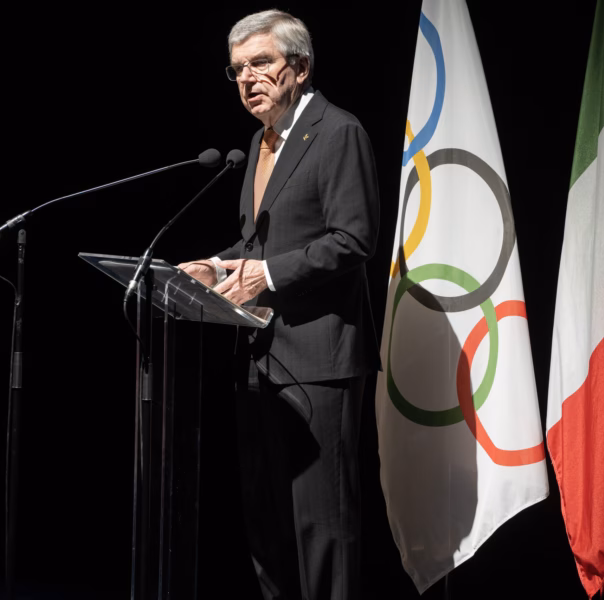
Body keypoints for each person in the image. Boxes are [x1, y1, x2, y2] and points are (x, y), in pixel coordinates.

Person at [178, 10, 381, 600]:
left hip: (319, 359)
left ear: (301, 66)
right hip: (259, 356)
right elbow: (257, 245)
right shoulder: (258, 142)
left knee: (322, 524)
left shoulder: (338, 132)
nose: (247, 79)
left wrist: (264, 274)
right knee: (265, 523)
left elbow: (353, 238)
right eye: (237, 69)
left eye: (260, 63)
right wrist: (215, 267)